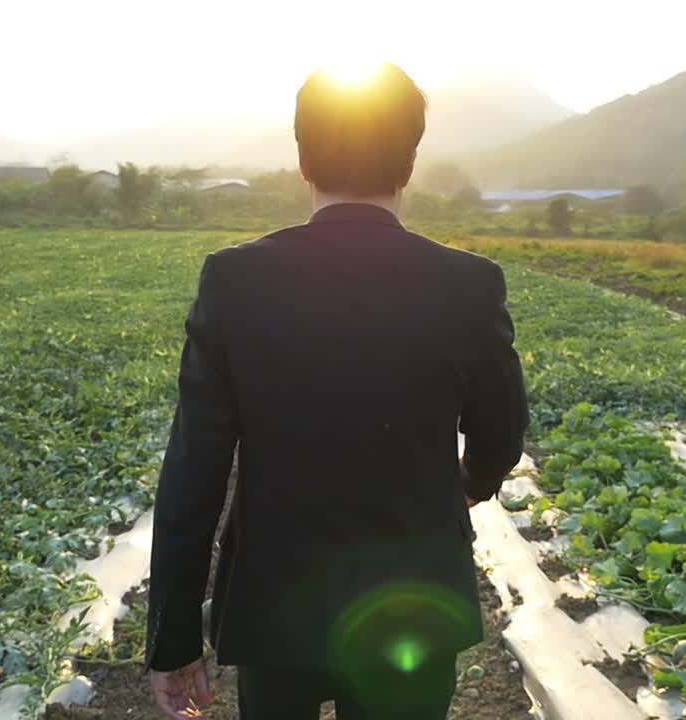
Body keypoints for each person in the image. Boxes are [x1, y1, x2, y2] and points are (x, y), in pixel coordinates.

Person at [145, 62, 529, 719]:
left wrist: (173, 636)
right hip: (412, 605)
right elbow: (501, 429)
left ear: (302, 159)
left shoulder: (237, 281)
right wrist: (471, 483)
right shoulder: (468, 285)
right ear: (409, 161)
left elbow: (195, 470)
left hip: (276, 604)